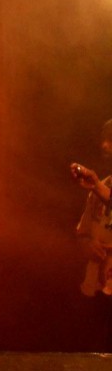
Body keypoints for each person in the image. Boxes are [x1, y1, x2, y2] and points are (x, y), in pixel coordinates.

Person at [72, 120, 112, 347]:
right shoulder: (99, 187)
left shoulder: (99, 187)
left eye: (111, 140)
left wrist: (97, 185)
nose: (104, 145)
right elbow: (82, 234)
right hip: (95, 291)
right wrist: (87, 244)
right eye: (104, 139)